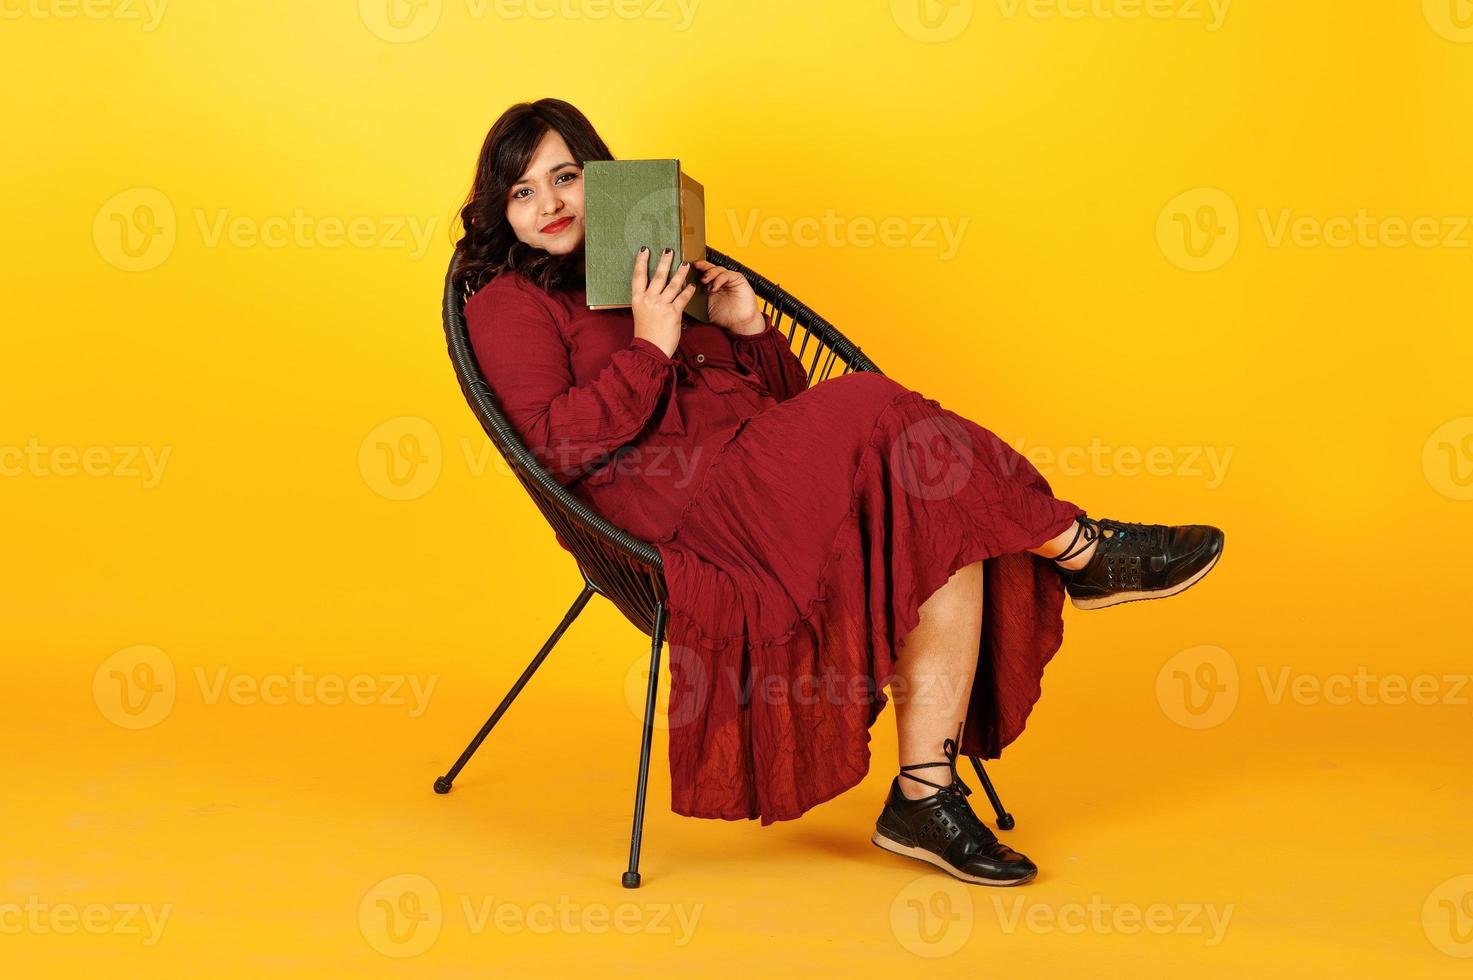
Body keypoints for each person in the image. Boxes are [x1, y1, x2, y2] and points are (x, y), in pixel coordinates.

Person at [454, 98, 1224, 887]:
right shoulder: (508, 306)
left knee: (941, 516)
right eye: (521, 191)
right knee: (868, 403)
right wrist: (652, 347)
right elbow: (551, 447)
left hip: (762, 486)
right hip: (682, 519)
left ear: (602, 179)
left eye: (565, 177)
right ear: (499, 210)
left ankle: (923, 797)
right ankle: (1082, 549)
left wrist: (744, 328)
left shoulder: (648, 267)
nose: (547, 204)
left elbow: (785, 416)